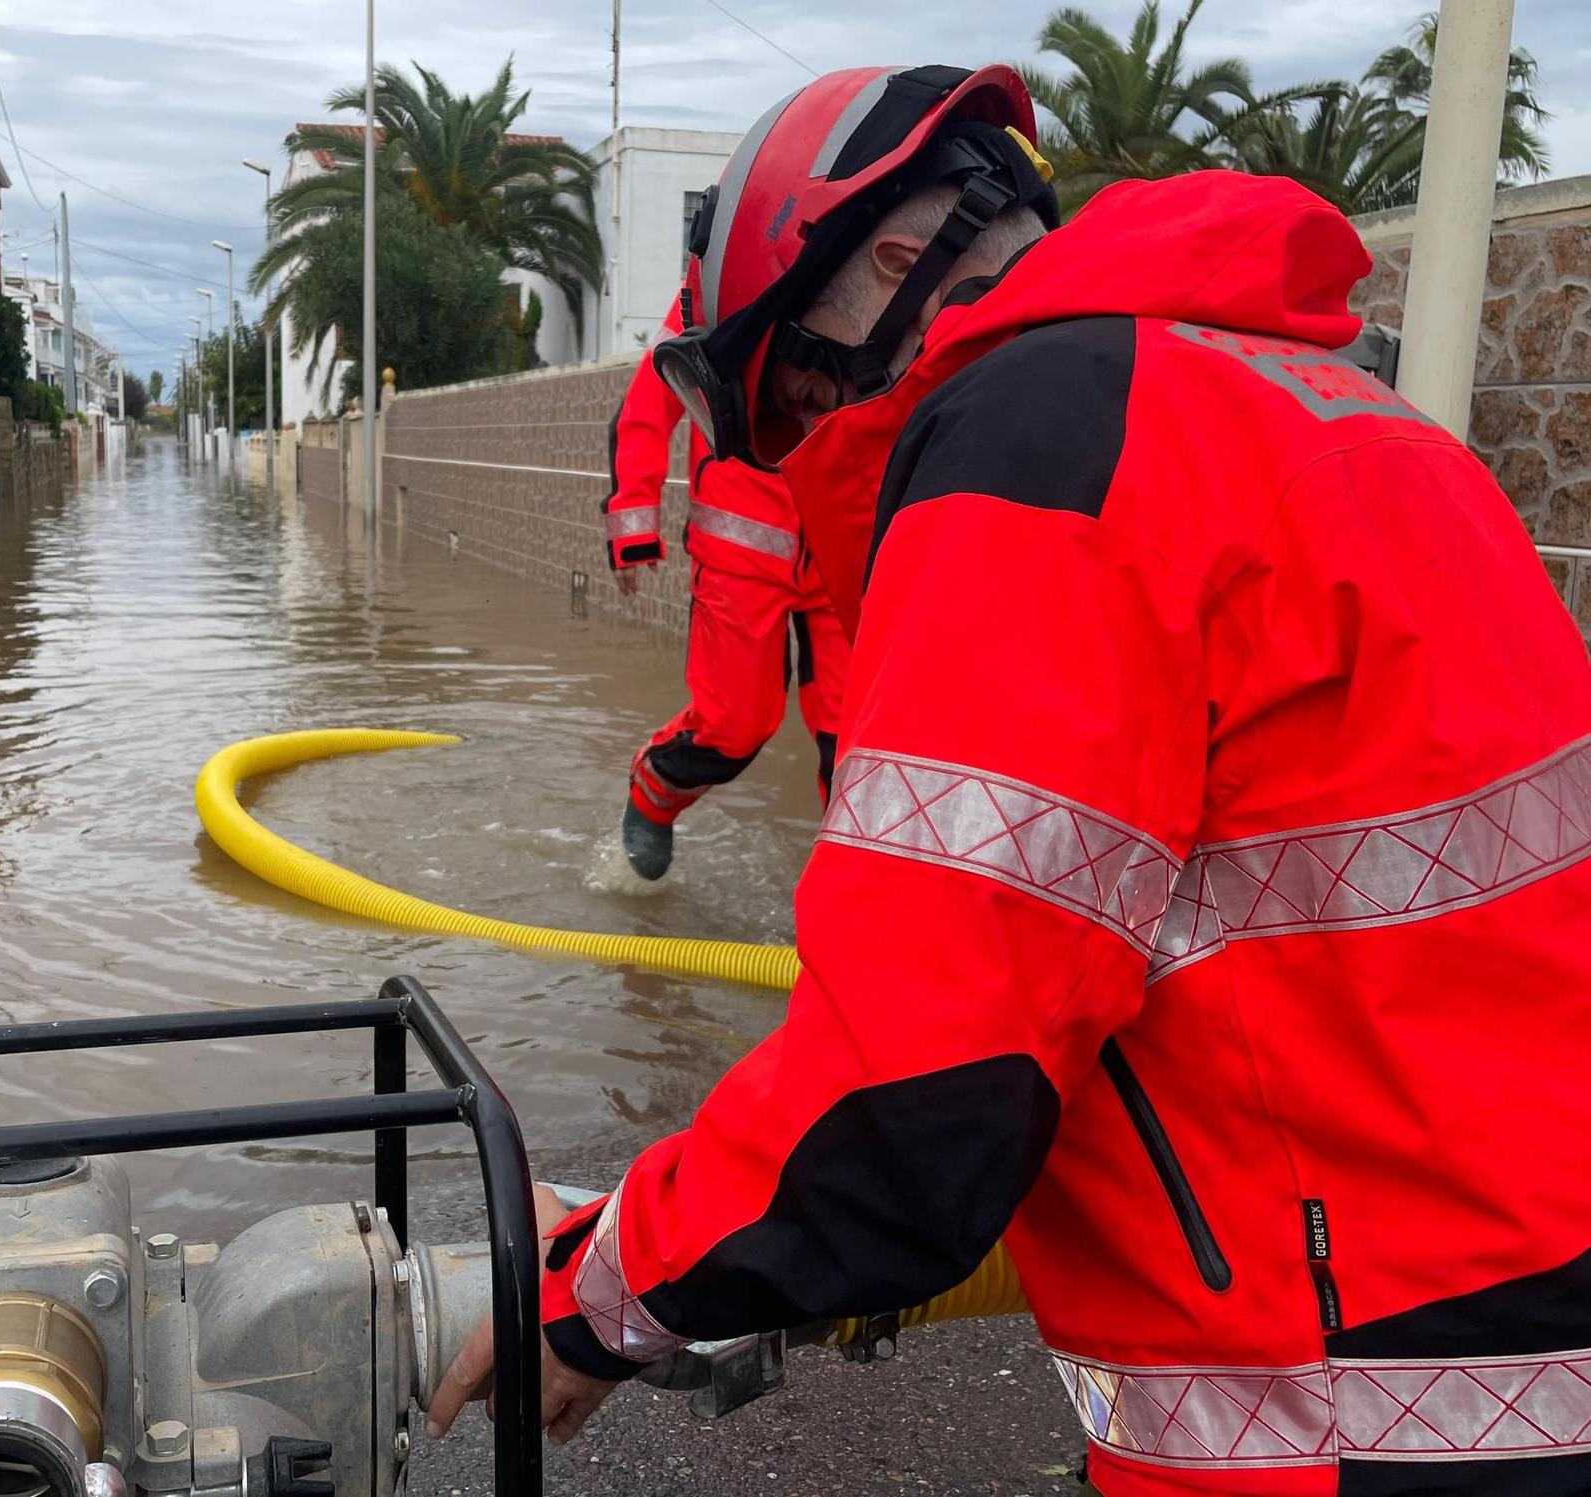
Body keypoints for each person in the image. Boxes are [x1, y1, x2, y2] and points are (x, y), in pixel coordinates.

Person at [431, 61, 1591, 1495]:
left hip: (1352, 1405)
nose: (805, 448)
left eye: (800, 383)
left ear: (899, 266)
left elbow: (912, 1096)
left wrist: (586, 1295)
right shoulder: (1333, 410)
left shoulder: (1050, 441)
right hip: (1501, 1324)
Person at [603, 295, 848, 880]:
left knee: (857, 744)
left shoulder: (882, 267)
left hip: (844, 549)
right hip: (741, 555)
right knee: (732, 728)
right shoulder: (718, 277)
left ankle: (854, 885)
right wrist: (633, 523)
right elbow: (649, 400)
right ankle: (654, 791)